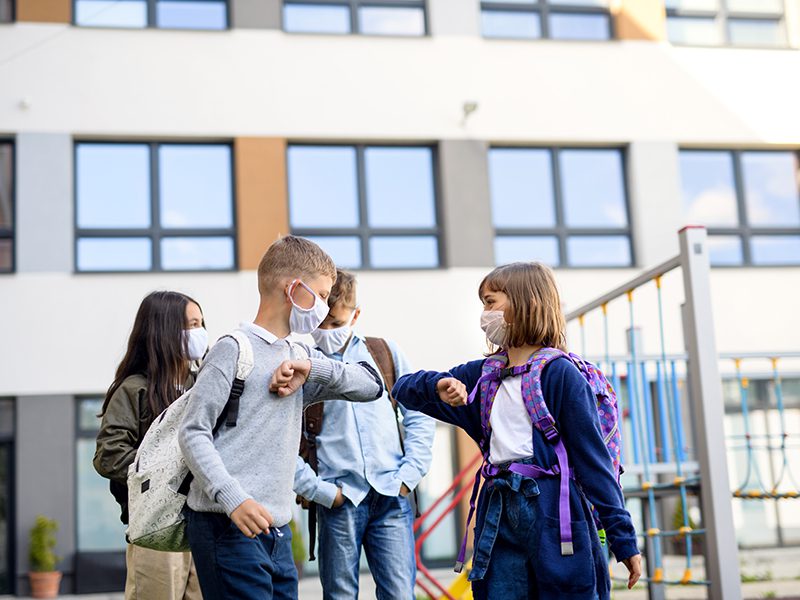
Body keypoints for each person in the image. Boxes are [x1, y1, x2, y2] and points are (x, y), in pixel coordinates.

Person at [392, 262, 643, 600]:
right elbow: (403, 389)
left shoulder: (560, 375)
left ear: (526, 303)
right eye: (482, 303)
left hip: (554, 510)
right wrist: (439, 384)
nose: (484, 314)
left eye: (491, 302)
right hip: (498, 514)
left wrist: (623, 539)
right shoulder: (481, 376)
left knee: (566, 592)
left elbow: (593, 462)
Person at [178, 235, 384, 600]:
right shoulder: (232, 349)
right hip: (226, 524)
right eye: (320, 295)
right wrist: (233, 498)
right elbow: (193, 432)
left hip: (277, 529)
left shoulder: (302, 355)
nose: (323, 306)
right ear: (293, 289)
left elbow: (371, 385)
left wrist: (313, 368)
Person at [294, 269, 435, 600]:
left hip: (391, 494)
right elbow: (282, 440)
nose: (328, 332)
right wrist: (321, 491)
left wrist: (409, 474)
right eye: (322, 324)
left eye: (337, 323)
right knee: (340, 595)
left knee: (400, 594)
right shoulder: (302, 362)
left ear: (355, 315)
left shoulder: (383, 352)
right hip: (339, 498)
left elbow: (418, 412)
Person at [94, 290, 206, 600]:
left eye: (200, 323)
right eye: (190, 325)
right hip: (156, 529)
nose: (199, 333)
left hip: (203, 525)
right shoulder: (134, 389)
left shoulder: (205, 384)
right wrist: (168, 474)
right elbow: (109, 456)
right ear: (164, 331)